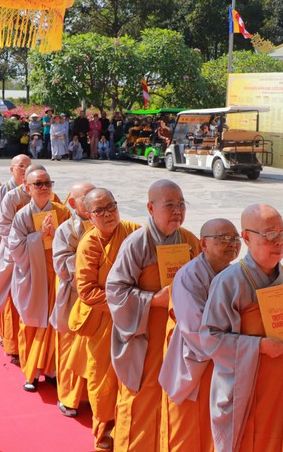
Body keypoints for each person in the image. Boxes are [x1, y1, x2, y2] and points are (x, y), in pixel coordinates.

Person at [200, 204, 283, 452]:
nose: (279, 241)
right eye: (270, 234)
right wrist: (258, 346)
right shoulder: (229, 282)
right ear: (247, 237)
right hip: (251, 396)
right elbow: (209, 338)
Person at [106, 179, 201, 452]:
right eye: (169, 205)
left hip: (179, 338)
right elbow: (115, 291)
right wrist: (153, 300)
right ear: (150, 207)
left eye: (181, 204)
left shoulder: (189, 241)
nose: (177, 211)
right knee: (141, 402)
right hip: (146, 337)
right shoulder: (137, 243)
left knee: (174, 401)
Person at [159, 218, 241, 452]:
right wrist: (242, 343)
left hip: (225, 361)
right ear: (203, 244)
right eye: (223, 238)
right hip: (196, 362)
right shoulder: (189, 276)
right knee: (188, 434)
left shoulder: (237, 273)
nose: (232, 243)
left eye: (235, 238)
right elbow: (196, 330)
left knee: (218, 433)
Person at [74, 188, 140, 451]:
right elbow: (87, 291)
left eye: (111, 207)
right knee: (102, 377)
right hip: (105, 320)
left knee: (133, 375)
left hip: (134, 320)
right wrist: (126, 303)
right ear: (89, 216)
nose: (108, 214)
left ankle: (128, 426)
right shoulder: (90, 244)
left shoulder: (134, 232)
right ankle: (104, 430)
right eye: (99, 211)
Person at [8, 167, 71, 392]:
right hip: (33, 276)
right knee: (31, 324)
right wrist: (39, 236)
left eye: (47, 183)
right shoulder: (22, 215)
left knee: (55, 323)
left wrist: (58, 234)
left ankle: (51, 369)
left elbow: (74, 241)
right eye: (38, 184)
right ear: (27, 188)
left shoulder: (62, 212)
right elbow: (15, 248)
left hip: (57, 275)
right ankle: (31, 372)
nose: (44, 188)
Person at [50, 181, 95, 419]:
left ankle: (93, 396)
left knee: (93, 349)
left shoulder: (106, 225)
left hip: (99, 298)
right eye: (86, 198)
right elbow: (61, 264)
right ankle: (68, 397)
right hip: (74, 296)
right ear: (72, 203)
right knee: (70, 348)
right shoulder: (65, 230)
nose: (92, 201)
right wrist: (90, 265)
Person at [0, 154, 31, 356]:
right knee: (8, 294)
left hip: (31, 254)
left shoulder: (36, 190)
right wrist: (10, 243)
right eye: (21, 166)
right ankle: (8, 337)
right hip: (8, 251)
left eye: (28, 166)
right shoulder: (3, 192)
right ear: (11, 169)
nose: (25, 170)